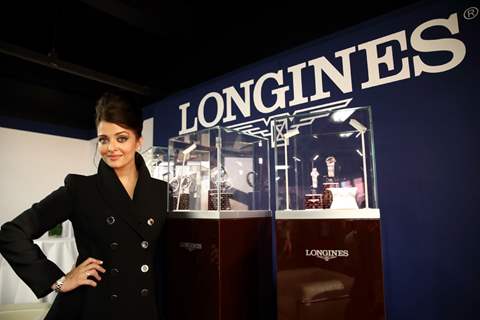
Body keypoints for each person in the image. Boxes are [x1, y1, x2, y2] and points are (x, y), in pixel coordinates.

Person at [0, 92, 168, 320]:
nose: (111, 148)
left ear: (138, 141)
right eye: (103, 139)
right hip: (95, 307)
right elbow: (12, 233)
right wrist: (59, 281)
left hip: (144, 309)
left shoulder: (161, 192)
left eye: (121, 138)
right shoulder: (80, 189)